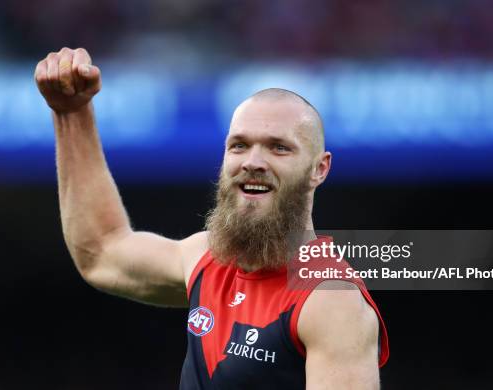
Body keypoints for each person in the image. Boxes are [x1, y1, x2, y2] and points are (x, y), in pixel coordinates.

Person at [35, 47, 389, 389]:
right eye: (239, 145)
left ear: (319, 169)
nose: (253, 161)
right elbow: (101, 251)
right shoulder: (208, 258)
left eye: (279, 147)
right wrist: (71, 113)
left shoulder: (331, 302)